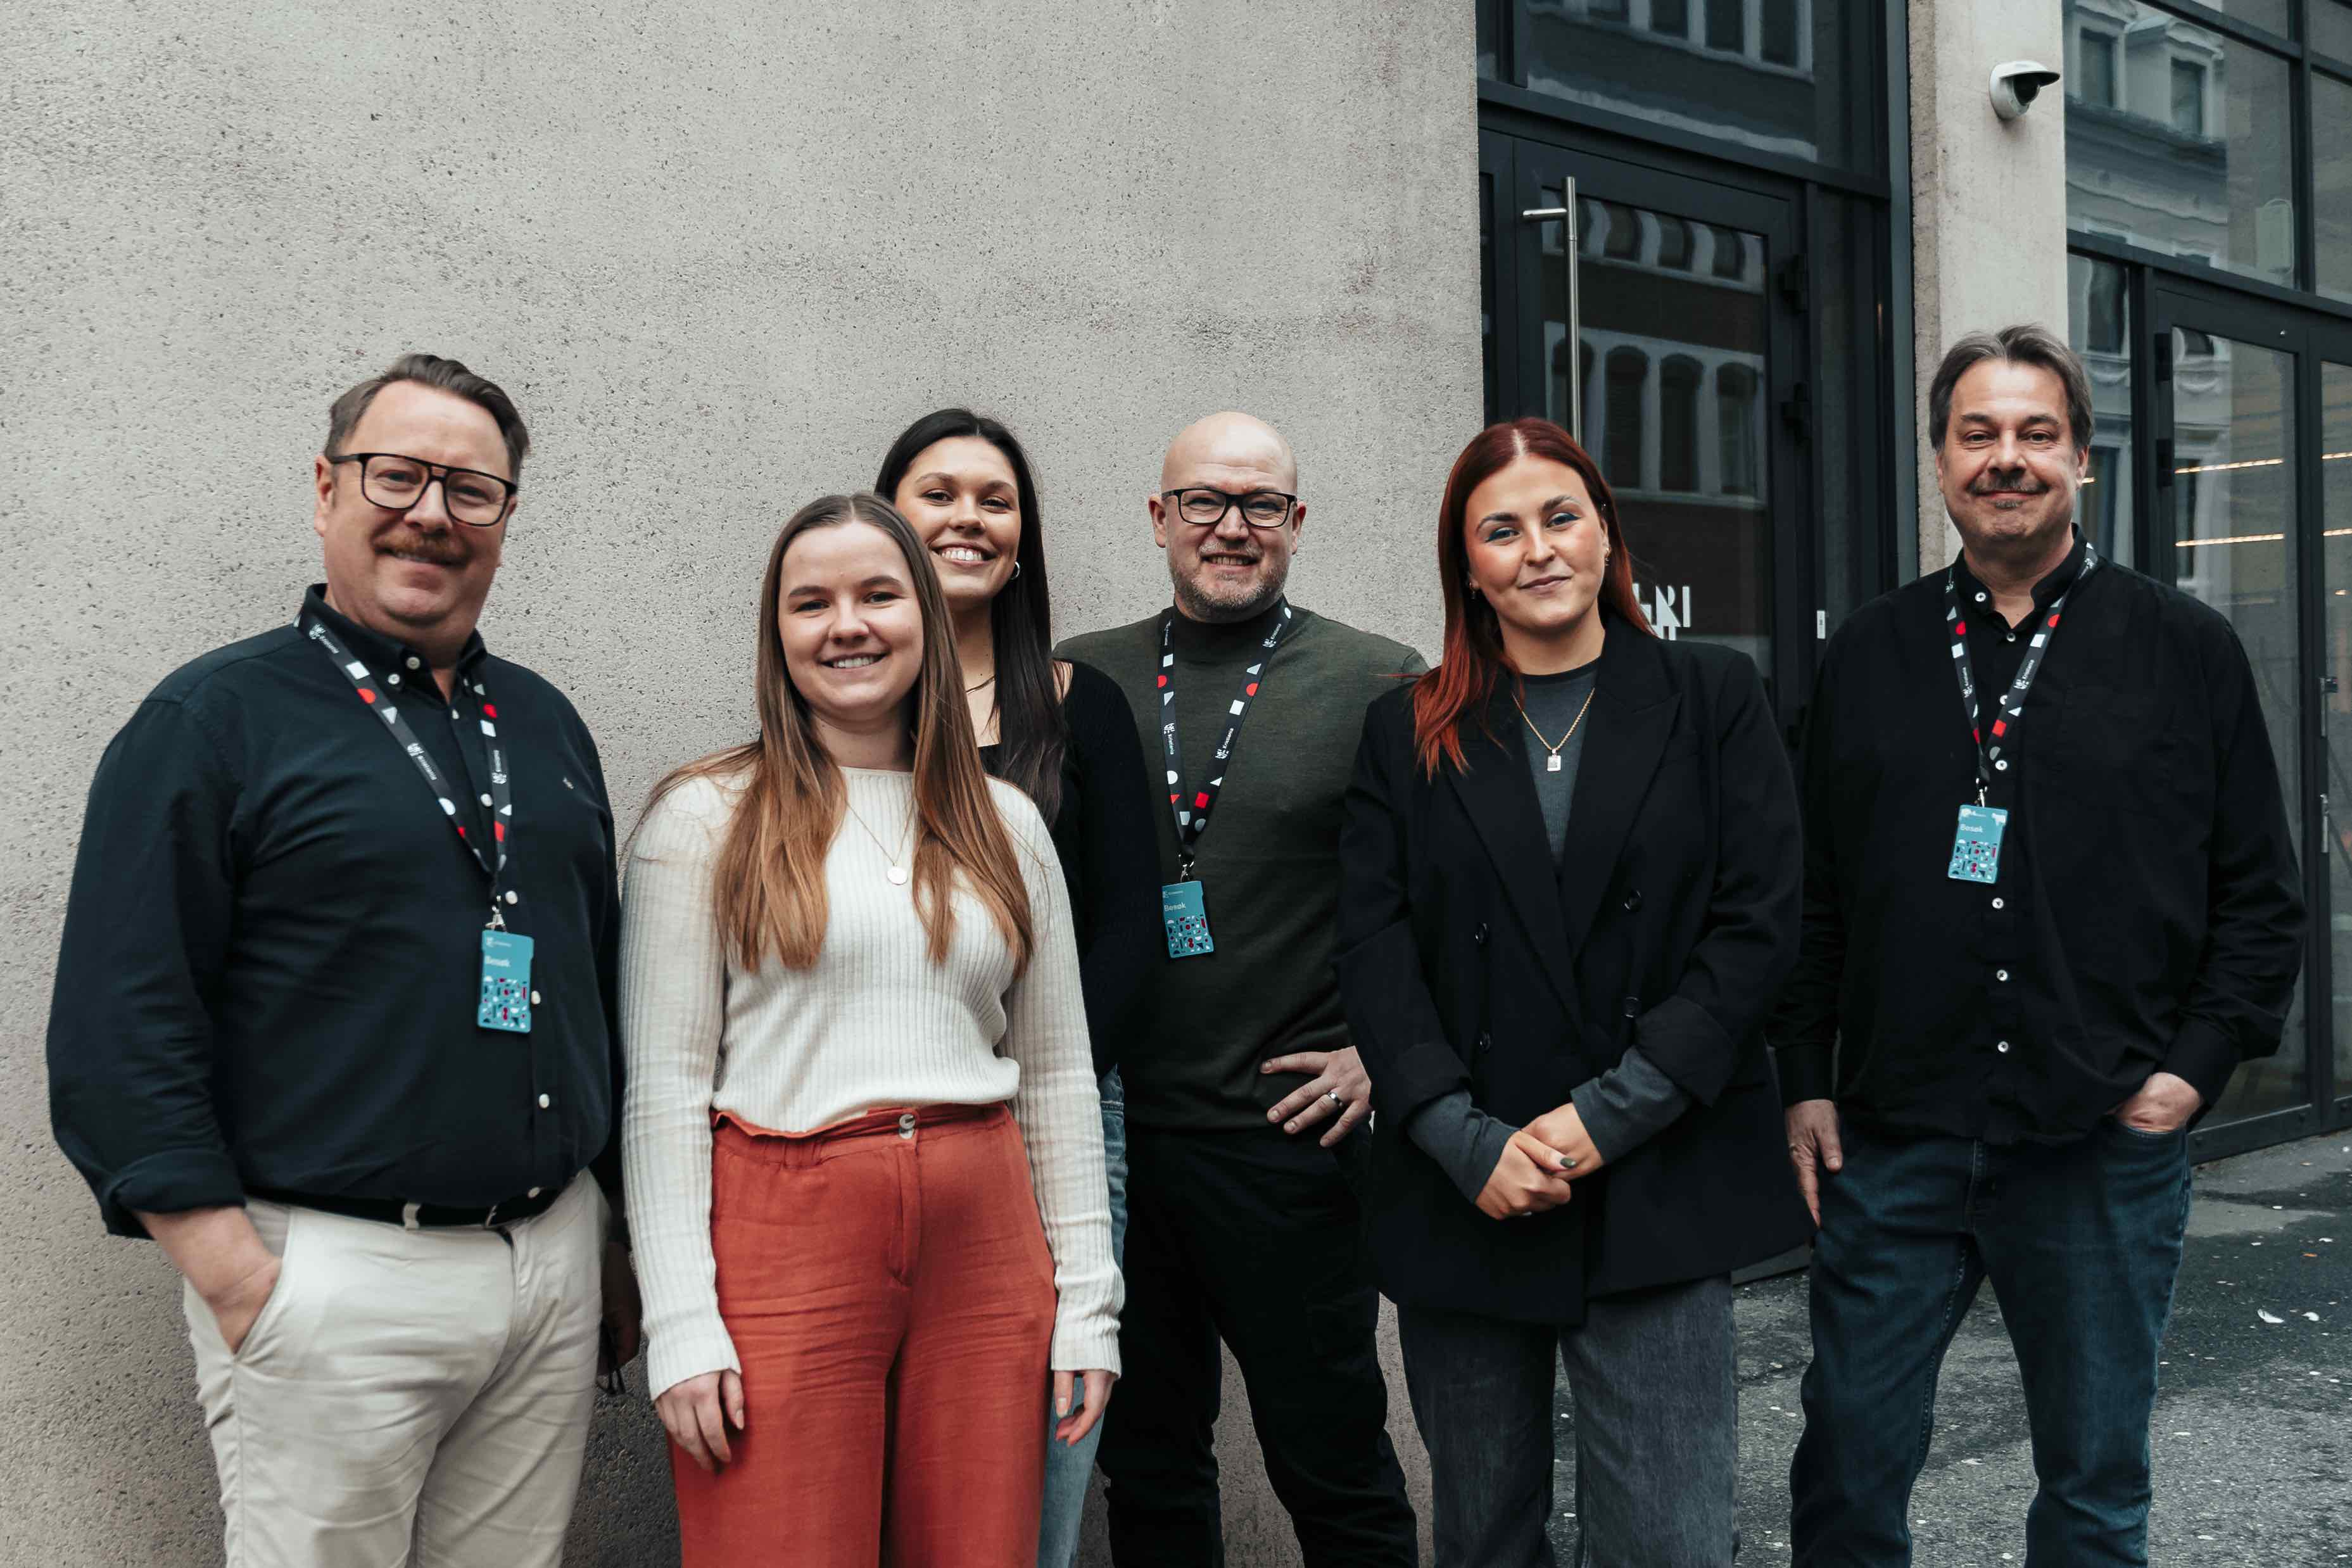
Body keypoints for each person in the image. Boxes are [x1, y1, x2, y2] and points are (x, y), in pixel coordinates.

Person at [46, 353, 640, 1568]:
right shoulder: (210, 723)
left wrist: (613, 1236)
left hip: (550, 1264)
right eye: (397, 475)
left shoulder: (545, 721)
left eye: (471, 488)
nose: (431, 511)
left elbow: (597, 984)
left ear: (506, 519)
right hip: (330, 1276)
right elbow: (121, 1022)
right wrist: (237, 1281)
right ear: (327, 488)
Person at [1776, 325, 2305, 1565]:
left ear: (2082, 457)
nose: (2005, 458)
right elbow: (1815, 887)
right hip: (1898, 1133)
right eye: (1978, 433)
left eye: (2034, 433)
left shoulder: (2185, 651)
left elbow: (2260, 894)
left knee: (2093, 1485)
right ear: (1939, 461)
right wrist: (1804, 1070)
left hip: (2099, 1139)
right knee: (1846, 1461)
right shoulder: (1870, 652)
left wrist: (2191, 1069)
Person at [1336, 416, 1810, 1566]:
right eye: (1499, 530)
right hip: (1470, 1180)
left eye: (1560, 517)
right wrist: (1458, 1136)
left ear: (1605, 533)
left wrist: (1613, 1116)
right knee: (1484, 1536)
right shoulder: (1405, 727)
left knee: (1669, 1536)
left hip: (1657, 1170)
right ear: (1467, 565)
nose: (1536, 549)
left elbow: (1755, 931)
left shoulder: (1711, 696)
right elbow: (1372, 947)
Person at [620, 492, 1120, 1566]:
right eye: (812, 603)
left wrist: (1089, 1304)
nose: (846, 625)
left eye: (877, 595)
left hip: (985, 1240)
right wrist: (680, 1325)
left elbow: (1060, 1075)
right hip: (780, 1230)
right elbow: (661, 1086)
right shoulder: (705, 817)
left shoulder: (1008, 824)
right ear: (778, 634)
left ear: (926, 621)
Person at [1059, 411, 1421, 1567]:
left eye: (1260, 504)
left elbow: (1447, 902)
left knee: (1335, 1470)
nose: (1231, 528)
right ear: (1157, 517)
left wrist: (1383, 1052)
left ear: (1298, 524)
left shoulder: (1379, 679)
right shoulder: (1076, 677)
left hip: (1285, 1147)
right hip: (1114, 1143)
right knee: (1150, 1475)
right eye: (1204, 501)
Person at [876, 409, 1160, 1568]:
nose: (967, 518)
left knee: (1040, 1442)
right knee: (887, 1448)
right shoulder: (837, 694)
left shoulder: (1074, 701)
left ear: (1023, 537)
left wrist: (1037, 1075)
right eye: (937, 492)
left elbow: (1135, 926)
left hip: (1055, 1119)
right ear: (886, 513)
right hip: (875, 1123)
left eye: (995, 500)